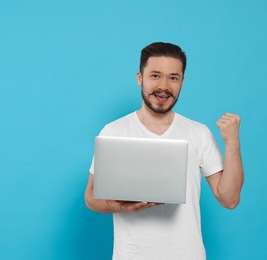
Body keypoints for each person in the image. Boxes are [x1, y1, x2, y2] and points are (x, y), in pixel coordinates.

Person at [84, 42, 244, 260]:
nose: (164, 86)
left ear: (182, 82)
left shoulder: (199, 133)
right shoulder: (114, 131)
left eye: (173, 77)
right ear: (140, 78)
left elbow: (229, 199)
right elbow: (91, 197)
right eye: (155, 76)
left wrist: (232, 143)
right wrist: (121, 206)